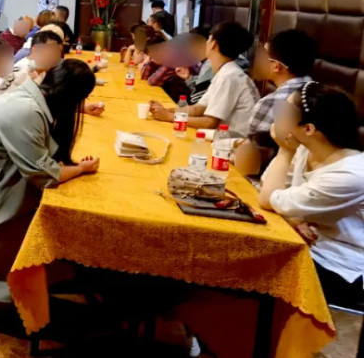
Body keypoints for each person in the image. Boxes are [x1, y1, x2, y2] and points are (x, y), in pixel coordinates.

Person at [0, 59, 99, 303]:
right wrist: (80, 169)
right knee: (59, 237)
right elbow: (46, 175)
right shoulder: (26, 111)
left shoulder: (29, 96)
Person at [258, 83, 363, 309]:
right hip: (308, 245)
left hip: (342, 265)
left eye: (285, 112)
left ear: (308, 129)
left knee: (254, 270)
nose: (278, 117)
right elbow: (269, 188)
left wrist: (284, 151)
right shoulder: (307, 148)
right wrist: (292, 219)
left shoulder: (350, 174)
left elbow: (268, 199)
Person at [150, 22, 259, 136]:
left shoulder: (229, 77)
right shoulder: (226, 72)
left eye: (209, 39)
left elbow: (209, 122)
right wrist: (167, 110)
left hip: (233, 142)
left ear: (214, 44)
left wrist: (169, 117)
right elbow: (197, 109)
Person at [234, 29, 315, 175]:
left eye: (263, 55)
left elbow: (252, 156)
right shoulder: (318, 93)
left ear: (276, 66)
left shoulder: (271, 103)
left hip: (274, 177)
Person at [174, 28, 213, 105]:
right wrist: (188, 77)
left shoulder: (210, 64)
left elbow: (196, 99)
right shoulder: (206, 63)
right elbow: (199, 90)